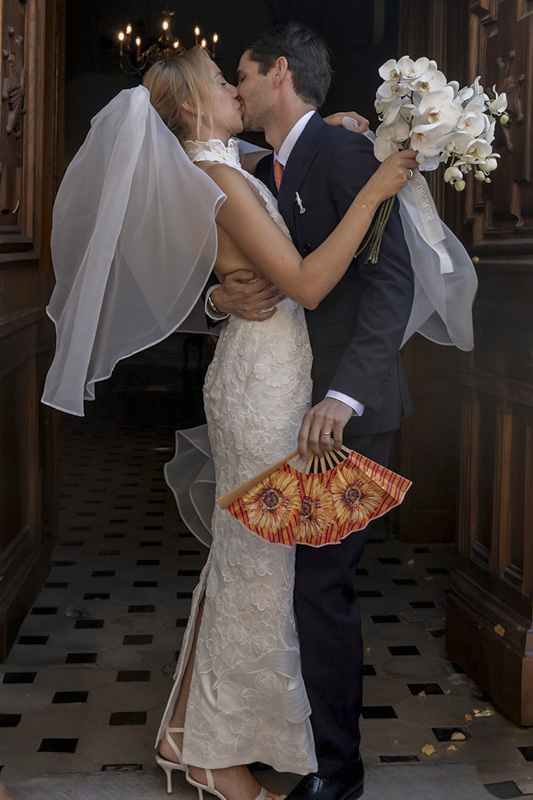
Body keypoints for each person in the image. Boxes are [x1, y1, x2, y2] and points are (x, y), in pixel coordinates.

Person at [41, 43, 415, 800]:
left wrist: (336, 127)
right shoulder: (213, 174)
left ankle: (194, 735)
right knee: (259, 567)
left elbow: (275, 164)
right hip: (265, 385)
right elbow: (307, 283)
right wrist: (374, 191)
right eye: (220, 79)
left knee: (251, 564)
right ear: (189, 106)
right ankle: (212, 752)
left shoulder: (219, 165)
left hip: (266, 376)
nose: (233, 88)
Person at [203, 22, 415, 800]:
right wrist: (216, 296)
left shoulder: (344, 154)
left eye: (241, 74)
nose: (234, 86)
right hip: (288, 403)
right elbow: (236, 258)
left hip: (342, 413)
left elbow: (392, 285)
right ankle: (293, 742)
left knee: (322, 590)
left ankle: (336, 773)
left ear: (277, 72)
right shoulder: (265, 161)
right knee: (299, 586)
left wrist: (343, 394)